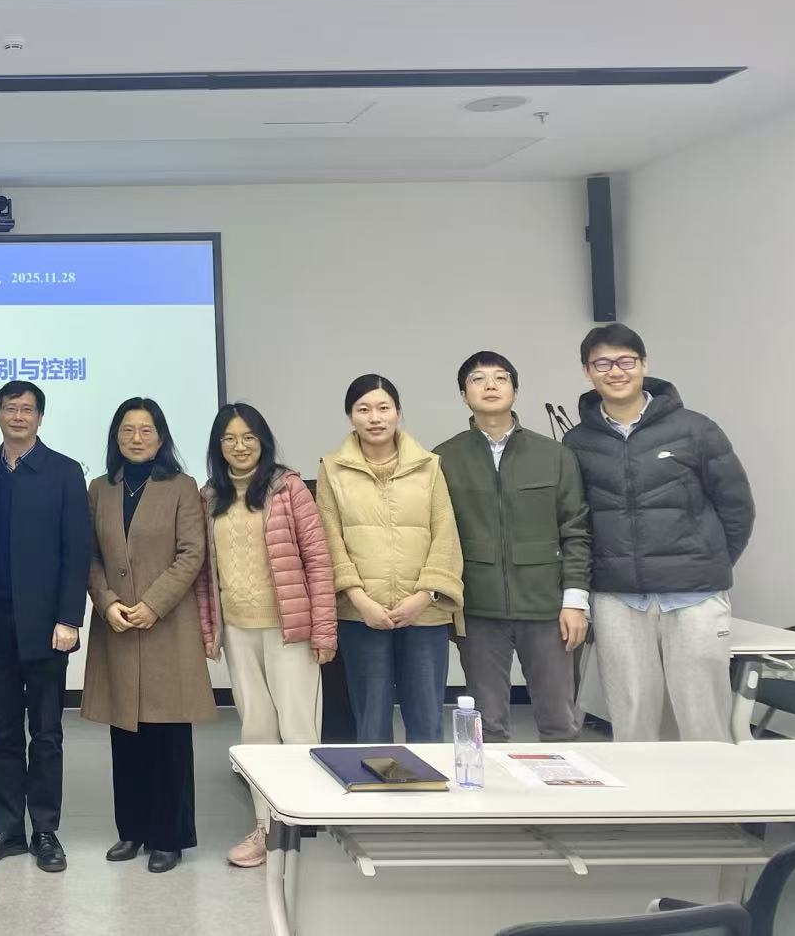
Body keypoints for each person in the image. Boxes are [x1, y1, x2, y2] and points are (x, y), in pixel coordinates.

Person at [562, 323, 754, 742]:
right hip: (618, 599)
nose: (616, 371)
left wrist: (706, 562)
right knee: (632, 721)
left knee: (704, 720)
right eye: (602, 364)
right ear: (587, 372)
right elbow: (575, 522)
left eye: (626, 361)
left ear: (644, 364)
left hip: (694, 596)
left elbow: (737, 507)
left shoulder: (695, 429)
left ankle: (714, 788)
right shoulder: (576, 442)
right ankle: (643, 788)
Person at [0, 380, 90, 874]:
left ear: (39, 418)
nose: (18, 416)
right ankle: (6, 829)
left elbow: (77, 551)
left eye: (27, 409)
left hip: (47, 626)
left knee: (47, 733)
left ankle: (46, 831)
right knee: (1, 732)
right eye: (10, 408)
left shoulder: (64, 472)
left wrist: (69, 618)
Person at [195, 402, 335, 869]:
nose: (240, 447)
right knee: (256, 730)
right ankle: (265, 827)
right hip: (239, 630)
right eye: (230, 439)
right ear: (218, 446)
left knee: (298, 728)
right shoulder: (209, 496)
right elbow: (205, 574)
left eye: (249, 438)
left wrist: (324, 629)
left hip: (289, 629)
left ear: (263, 441)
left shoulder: (288, 488)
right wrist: (210, 628)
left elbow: (318, 561)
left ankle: (302, 826)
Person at [81, 397, 214, 874]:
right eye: (127, 430)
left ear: (161, 438)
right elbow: (89, 555)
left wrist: (153, 604)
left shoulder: (182, 487)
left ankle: (169, 837)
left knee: (168, 738)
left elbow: (191, 553)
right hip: (116, 624)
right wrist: (106, 602)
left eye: (146, 430)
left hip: (166, 625)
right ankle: (132, 831)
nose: (136, 438)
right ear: (115, 436)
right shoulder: (100, 488)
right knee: (126, 737)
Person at [434, 352, 590, 744]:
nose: (490, 385)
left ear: (515, 392)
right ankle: (489, 786)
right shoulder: (443, 459)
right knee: (485, 726)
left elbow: (576, 531)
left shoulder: (554, 455)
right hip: (478, 609)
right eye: (477, 379)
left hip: (547, 607)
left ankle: (564, 785)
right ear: (463, 395)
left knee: (559, 721)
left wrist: (575, 602)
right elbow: (437, 537)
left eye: (500, 378)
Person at [316, 375, 463, 745]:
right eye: (363, 409)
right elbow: (330, 540)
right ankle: (375, 782)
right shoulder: (332, 469)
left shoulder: (429, 465)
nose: (374, 417)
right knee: (371, 720)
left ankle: (428, 782)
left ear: (398, 412)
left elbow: (445, 534)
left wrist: (425, 595)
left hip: (424, 612)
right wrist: (360, 600)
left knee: (427, 719)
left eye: (383, 408)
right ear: (350, 417)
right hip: (362, 614)